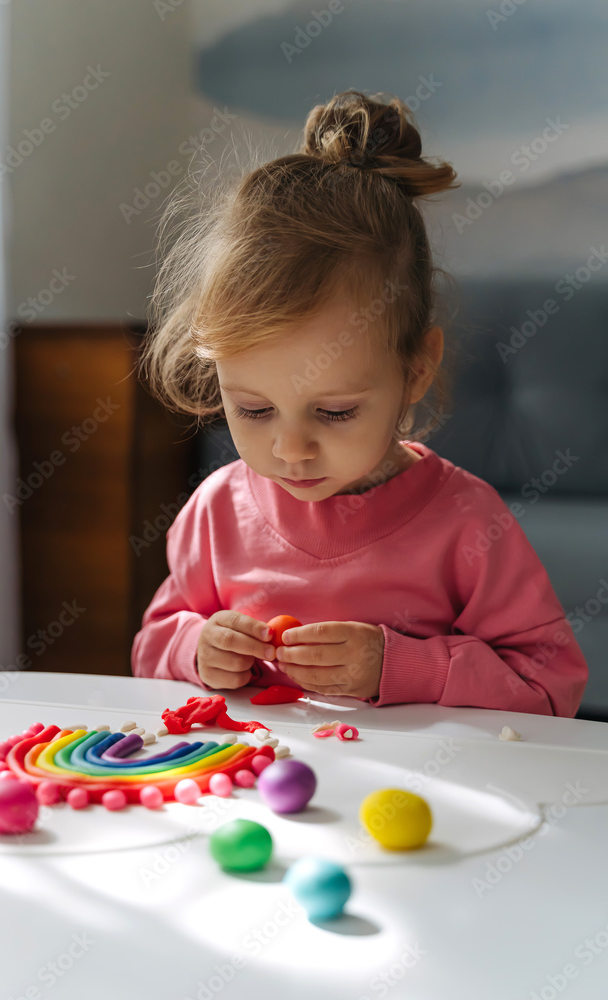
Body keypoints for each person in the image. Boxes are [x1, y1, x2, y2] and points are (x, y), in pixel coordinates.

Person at [131, 89, 588, 717]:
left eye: (336, 412)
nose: (291, 449)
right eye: (254, 410)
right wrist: (195, 648)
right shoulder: (216, 513)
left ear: (416, 369)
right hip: (266, 776)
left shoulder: (466, 524)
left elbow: (551, 686)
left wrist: (399, 665)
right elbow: (151, 649)